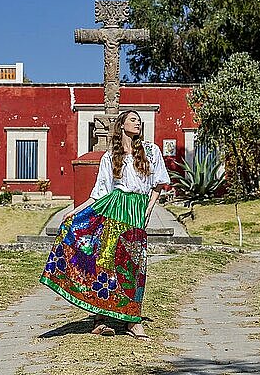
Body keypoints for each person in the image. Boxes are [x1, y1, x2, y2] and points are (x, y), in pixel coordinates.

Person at [39, 110, 170, 340]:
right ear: (121, 125)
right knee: (106, 262)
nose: (137, 123)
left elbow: (158, 184)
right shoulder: (110, 157)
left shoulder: (151, 151)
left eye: (139, 121)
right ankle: (100, 319)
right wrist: (74, 212)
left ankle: (132, 321)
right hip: (113, 209)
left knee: (135, 267)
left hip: (136, 211)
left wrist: (148, 210)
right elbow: (98, 194)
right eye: (132, 120)